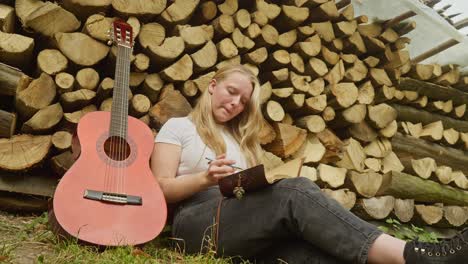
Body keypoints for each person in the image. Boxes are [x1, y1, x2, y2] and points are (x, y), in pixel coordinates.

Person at [151, 64, 468, 264]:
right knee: (295, 192)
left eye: (243, 102)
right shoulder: (179, 127)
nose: (235, 104)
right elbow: (161, 190)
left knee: (313, 251)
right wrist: (205, 179)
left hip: (242, 223)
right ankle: (416, 255)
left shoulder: (242, 143)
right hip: (193, 224)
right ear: (213, 85)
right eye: (231, 93)